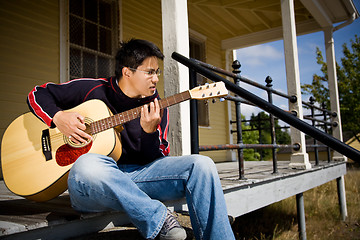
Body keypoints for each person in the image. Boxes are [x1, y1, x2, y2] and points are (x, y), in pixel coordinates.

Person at [27, 39, 235, 240]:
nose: (156, 79)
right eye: (150, 72)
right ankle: (159, 218)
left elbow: (156, 160)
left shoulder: (156, 106)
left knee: (202, 165)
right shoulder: (93, 89)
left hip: (138, 179)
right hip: (94, 186)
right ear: (127, 72)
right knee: (87, 165)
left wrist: (149, 132)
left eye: (157, 72)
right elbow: (38, 94)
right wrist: (58, 117)